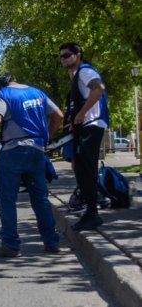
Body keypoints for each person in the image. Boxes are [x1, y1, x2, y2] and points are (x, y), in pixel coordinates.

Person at [0, 74, 63, 257]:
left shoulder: (4, 94)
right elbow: (58, 116)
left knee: (7, 200)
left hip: (13, 152)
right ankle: (51, 243)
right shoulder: (38, 93)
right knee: (41, 200)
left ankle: (10, 245)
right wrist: (46, 139)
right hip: (36, 152)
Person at [59, 42, 110, 232]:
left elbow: (98, 89)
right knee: (82, 168)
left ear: (79, 55)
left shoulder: (85, 72)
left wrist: (82, 114)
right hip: (86, 126)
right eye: (62, 56)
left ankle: (92, 214)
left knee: (86, 169)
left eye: (67, 55)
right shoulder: (78, 75)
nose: (64, 59)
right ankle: (90, 211)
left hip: (92, 125)